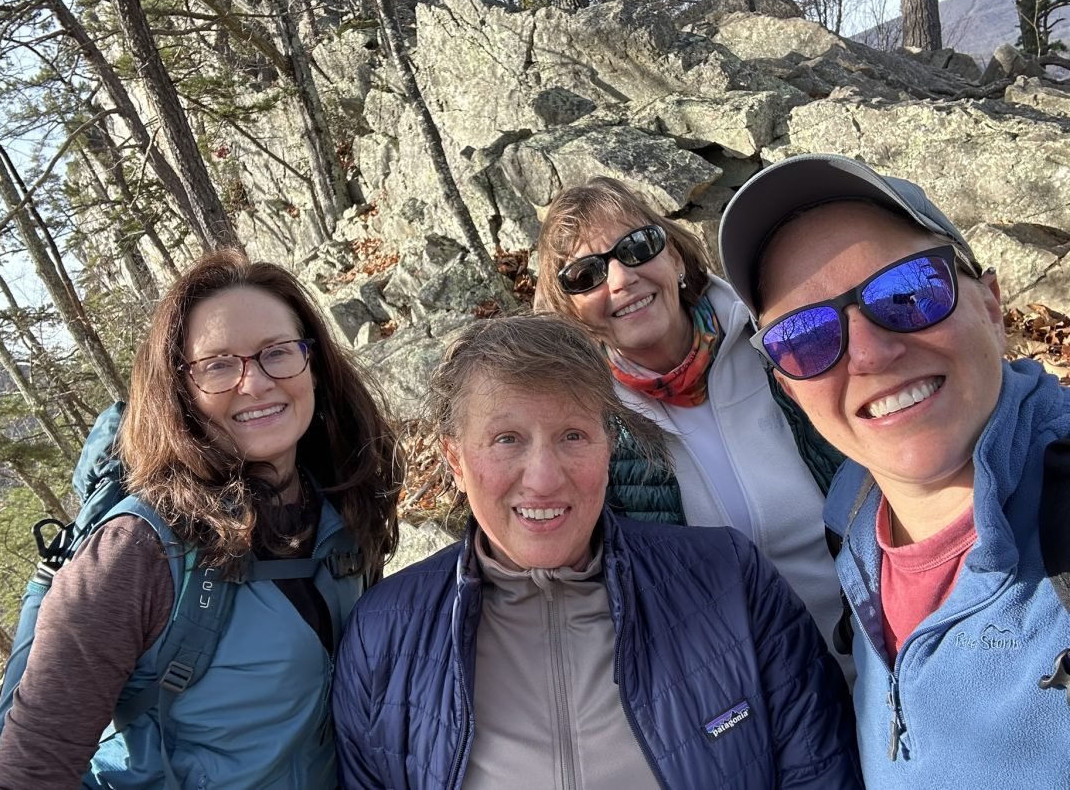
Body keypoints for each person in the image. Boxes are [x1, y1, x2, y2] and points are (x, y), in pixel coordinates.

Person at [332, 314, 861, 789]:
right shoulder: (385, 635)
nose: (542, 479)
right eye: (507, 439)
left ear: (609, 446)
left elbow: (819, 768)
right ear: (455, 458)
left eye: (573, 436)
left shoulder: (729, 579)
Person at [0, 250, 401, 789]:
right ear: (182, 392)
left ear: (312, 363)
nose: (254, 384)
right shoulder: (136, 553)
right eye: (218, 365)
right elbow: (27, 774)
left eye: (277, 352)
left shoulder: (343, 508)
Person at [716, 152, 1070, 787]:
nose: (871, 354)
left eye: (908, 292)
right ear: (790, 389)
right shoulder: (852, 515)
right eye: (806, 337)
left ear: (990, 304)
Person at [535, 176, 848, 668]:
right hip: (740, 700)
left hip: (876, 652)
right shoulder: (586, 422)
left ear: (675, 258)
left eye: (637, 247)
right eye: (586, 275)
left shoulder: (777, 343)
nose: (620, 279)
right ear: (571, 309)